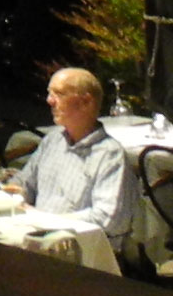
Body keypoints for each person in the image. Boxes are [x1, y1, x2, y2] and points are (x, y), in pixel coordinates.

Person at [17, 66, 140, 246]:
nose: (49, 101)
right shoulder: (53, 141)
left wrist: (45, 219)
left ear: (86, 102)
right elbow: (25, 182)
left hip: (84, 251)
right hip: (41, 239)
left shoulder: (109, 154)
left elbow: (110, 220)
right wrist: (15, 193)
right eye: (49, 93)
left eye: (59, 94)